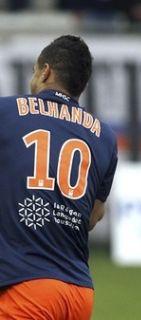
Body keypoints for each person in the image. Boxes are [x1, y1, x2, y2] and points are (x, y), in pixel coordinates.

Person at [0, 35, 118, 319]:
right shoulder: (104, 137)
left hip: (25, 285)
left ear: (45, 71)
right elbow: (93, 216)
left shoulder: (6, 112)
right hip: (77, 293)